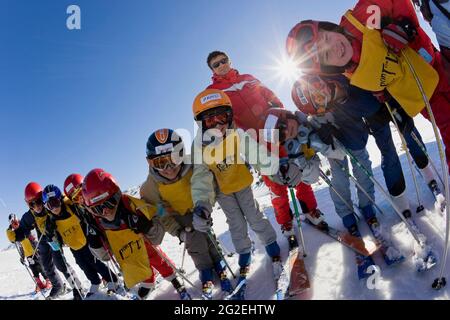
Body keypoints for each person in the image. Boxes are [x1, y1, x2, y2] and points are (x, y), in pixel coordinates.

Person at [285, 0, 450, 172]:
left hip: (438, 67)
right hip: (425, 99)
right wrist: (381, 93)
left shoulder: (360, 21)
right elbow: (374, 76)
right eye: (326, 55)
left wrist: (404, 24)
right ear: (327, 68)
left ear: (329, 28)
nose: (334, 48)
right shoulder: (349, 71)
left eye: (326, 39)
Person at [206, 50, 327, 249]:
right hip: (255, 142)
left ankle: (311, 210)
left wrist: (281, 116)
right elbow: (219, 120)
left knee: (297, 173)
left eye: (223, 61)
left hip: (277, 131)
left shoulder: (248, 79)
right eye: (216, 65)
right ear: (212, 70)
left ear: (229, 60)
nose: (221, 66)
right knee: (275, 185)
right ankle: (286, 224)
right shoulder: (215, 92)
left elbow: (271, 97)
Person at [291, 74, 443, 224]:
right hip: (376, 119)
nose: (322, 91)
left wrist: (392, 97)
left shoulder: (340, 72)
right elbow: (358, 142)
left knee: (410, 133)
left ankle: (428, 174)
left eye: (316, 84)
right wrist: (336, 132)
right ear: (320, 109)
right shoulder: (339, 111)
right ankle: (400, 199)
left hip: (388, 101)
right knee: (388, 151)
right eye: (318, 99)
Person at [191, 88, 285, 300]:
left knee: (254, 216)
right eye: (210, 120)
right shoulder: (199, 146)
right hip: (224, 192)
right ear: (201, 123)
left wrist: (277, 168)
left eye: (221, 117)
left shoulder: (237, 135)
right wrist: (202, 203)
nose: (217, 125)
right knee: (236, 224)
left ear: (230, 116)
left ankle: (271, 246)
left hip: (242, 185)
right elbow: (200, 177)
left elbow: (258, 155)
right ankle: (244, 255)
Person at [140, 128, 232, 299]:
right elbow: (160, 213)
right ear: (150, 162)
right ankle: (205, 271)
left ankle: (218, 262)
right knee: (195, 243)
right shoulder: (150, 188)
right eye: (160, 163)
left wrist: (205, 208)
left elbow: (207, 184)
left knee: (207, 235)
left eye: (175, 158)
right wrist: (178, 231)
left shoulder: (193, 166)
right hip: (179, 217)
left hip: (198, 208)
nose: (169, 168)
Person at [81, 168, 190, 300]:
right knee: (138, 268)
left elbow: (157, 238)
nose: (105, 211)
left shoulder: (133, 206)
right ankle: (148, 282)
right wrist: (94, 242)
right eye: (98, 208)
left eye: (109, 203)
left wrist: (145, 225)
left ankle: (175, 280)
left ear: (117, 195)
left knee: (158, 260)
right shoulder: (98, 223)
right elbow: (105, 257)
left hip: (146, 245)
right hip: (128, 255)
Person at [42, 184, 120, 297]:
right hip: (73, 245)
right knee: (83, 265)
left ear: (60, 199)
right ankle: (95, 282)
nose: (54, 208)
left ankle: (112, 279)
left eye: (55, 203)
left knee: (94, 261)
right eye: (50, 205)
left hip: (85, 240)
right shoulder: (51, 220)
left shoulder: (71, 207)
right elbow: (55, 238)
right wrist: (50, 235)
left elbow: (84, 212)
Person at [10, 182, 82, 300]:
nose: (37, 206)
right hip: (43, 240)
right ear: (28, 204)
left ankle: (77, 287)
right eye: (32, 204)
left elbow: (64, 200)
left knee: (60, 263)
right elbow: (22, 230)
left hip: (54, 238)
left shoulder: (50, 205)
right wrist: (15, 236)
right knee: (46, 264)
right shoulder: (29, 216)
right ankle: (58, 286)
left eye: (39, 201)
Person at [6, 213, 50, 292]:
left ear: (18, 221)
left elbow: (33, 239)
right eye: (12, 224)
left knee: (41, 267)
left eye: (16, 222)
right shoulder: (16, 235)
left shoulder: (24, 229)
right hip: (28, 255)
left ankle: (48, 281)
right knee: (34, 269)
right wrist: (22, 257)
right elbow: (21, 247)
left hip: (35, 251)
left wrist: (38, 249)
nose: (15, 225)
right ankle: (40, 284)